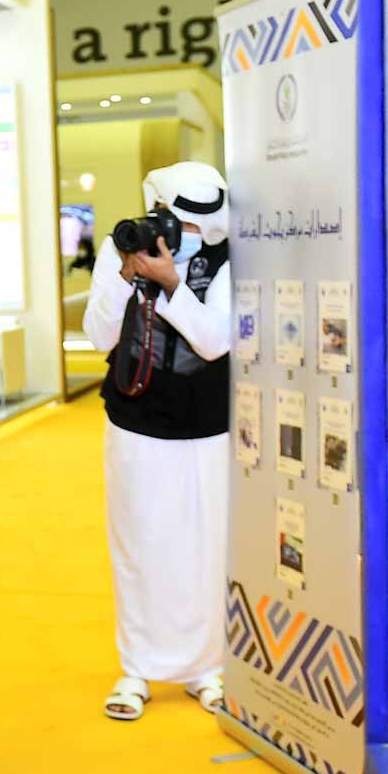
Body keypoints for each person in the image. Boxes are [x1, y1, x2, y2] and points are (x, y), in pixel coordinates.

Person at [82, 161, 233, 721]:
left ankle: (207, 668)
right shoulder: (120, 248)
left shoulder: (227, 260)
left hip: (209, 424)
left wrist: (172, 284)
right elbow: (98, 335)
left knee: (206, 546)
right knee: (139, 546)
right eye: (173, 220)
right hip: (135, 421)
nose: (180, 234)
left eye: (193, 225)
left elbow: (216, 340)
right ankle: (137, 669)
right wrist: (127, 277)